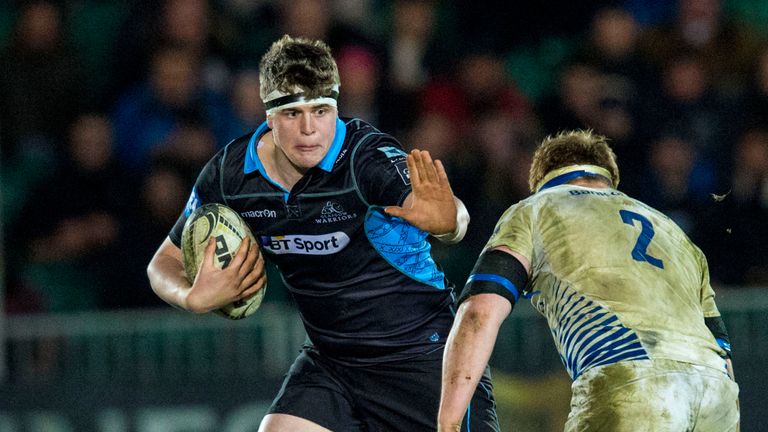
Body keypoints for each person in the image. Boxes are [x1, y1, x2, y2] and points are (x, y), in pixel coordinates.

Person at [147, 34, 500, 432]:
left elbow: (454, 216)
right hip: (332, 363)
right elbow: (163, 263)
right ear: (268, 115)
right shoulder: (230, 176)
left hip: (422, 353)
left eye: (320, 111)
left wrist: (449, 223)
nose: (309, 129)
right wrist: (191, 297)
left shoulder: (366, 159)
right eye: (292, 113)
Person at [437, 129, 739, 431]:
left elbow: (479, 312)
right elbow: (722, 350)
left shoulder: (537, 208)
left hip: (632, 380)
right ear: (609, 178)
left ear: (541, 180)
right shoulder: (674, 231)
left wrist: (448, 423)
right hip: (717, 392)